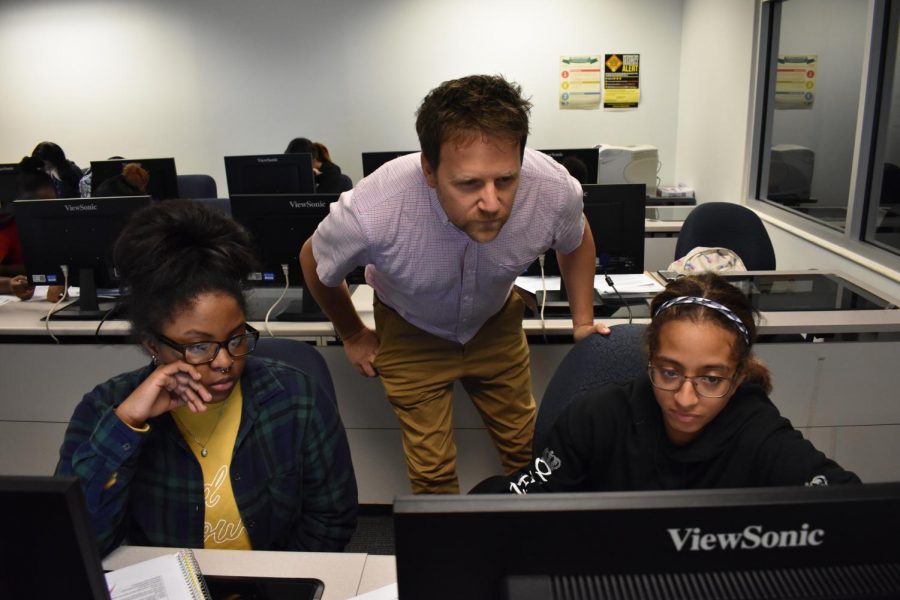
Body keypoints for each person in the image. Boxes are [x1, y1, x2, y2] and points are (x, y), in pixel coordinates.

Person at [299, 74, 609, 494]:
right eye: (468, 184)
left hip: (495, 321)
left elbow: (576, 240)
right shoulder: (373, 210)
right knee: (432, 470)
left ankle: (533, 546)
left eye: (505, 179)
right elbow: (312, 258)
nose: (492, 203)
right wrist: (352, 332)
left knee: (529, 451)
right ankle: (448, 554)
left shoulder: (553, 189)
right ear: (429, 168)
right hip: (411, 329)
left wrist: (582, 320)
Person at [57, 200, 358, 554]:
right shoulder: (105, 410)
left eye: (236, 337)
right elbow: (75, 543)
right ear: (153, 343)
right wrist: (126, 425)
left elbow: (331, 519)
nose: (225, 362)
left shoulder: (297, 398)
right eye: (198, 347)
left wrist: (277, 586)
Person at [487, 272, 860, 495]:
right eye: (669, 372)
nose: (685, 398)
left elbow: (841, 502)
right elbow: (526, 498)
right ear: (650, 359)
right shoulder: (595, 418)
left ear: (740, 375)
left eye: (711, 379)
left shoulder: (757, 430)